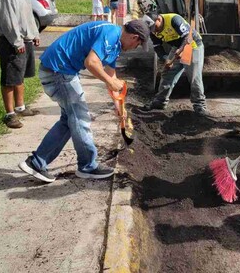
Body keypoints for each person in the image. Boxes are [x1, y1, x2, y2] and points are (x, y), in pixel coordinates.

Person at [18, 19, 150, 183]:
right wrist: (110, 82)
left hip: (60, 70)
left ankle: (37, 162)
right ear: (134, 37)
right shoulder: (110, 34)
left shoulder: (115, 42)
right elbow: (92, 63)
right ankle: (88, 166)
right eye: (137, 45)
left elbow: (111, 74)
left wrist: (119, 107)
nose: (134, 48)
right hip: (59, 71)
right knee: (80, 119)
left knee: (69, 120)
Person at [0, 0, 40, 129]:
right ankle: (9, 113)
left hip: (24, 38)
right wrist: (16, 41)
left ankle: (20, 107)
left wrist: (34, 33)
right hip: (11, 40)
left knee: (20, 75)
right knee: (10, 77)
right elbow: (7, 18)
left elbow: (27, 13)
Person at [141, 12, 209, 117]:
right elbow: (157, 46)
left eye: (155, 27)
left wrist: (181, 50)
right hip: (176, 46)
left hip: (192, 46)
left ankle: (199, 105)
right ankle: (160, 102)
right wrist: (165, 59)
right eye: (152, 29)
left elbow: (187, 37)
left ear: (158, 19)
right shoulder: (152, 30)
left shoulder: (174, 19)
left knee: (194, 76)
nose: (154, 31)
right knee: (167, 73)